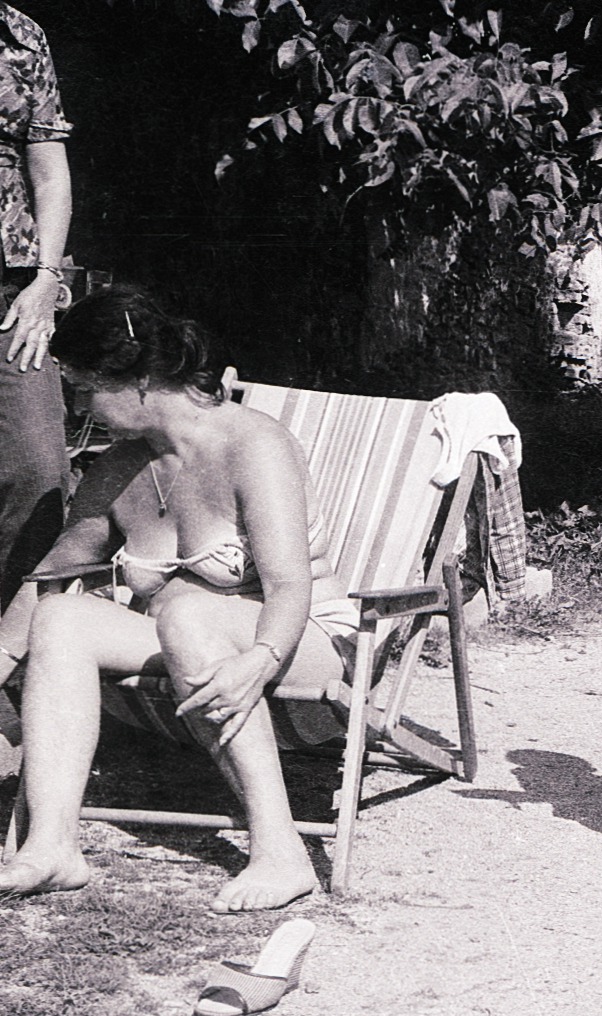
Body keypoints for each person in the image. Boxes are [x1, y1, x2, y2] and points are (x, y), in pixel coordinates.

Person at [0, 286, 356, 913]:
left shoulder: (253, 446)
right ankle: (52, 845)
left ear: (136, 380)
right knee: (61, 618)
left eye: (86, 389)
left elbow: (287, 587)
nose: (79, 407)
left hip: (302, 644)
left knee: (189, 611)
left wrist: (262, 658)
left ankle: (280, 851)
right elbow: (51, 576)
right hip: (188, 649)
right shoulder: (119, 468)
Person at [0, 4, 73, 634]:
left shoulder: (23, 38)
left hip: (12, 294)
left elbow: (48, 172)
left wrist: (48, 280)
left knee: (39, 471)